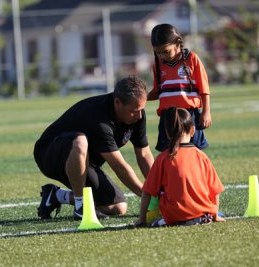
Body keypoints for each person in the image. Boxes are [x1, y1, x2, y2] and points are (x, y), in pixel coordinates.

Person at [33, 76, 155, 220]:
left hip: (85, 162)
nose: (139, 116)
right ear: (117, 102)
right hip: (49, 155)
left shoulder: (137, 114)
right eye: (134, 110)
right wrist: (150, 198)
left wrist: (158, 189)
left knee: (117, 207)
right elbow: (119, 166)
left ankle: (56, 196)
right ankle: (81, 207)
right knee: (80, 141)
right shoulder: (100, 117)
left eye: (142, 109)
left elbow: (144, 154)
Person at [135, 107, 225, 227]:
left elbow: (147, 192)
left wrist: (142, 219)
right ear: (192, 130)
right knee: (216, 212)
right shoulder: (202, 156)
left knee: (155, 219)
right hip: (203, 216)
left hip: (173, 218)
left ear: (167, 133)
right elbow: (215, 192)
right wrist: (215, 215)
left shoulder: (162, 158)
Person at [147, 23, 212, 152]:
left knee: (195, 150)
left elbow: (204, 88)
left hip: (190, 114)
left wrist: (206, 112)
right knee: (168, 152)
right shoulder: (157, 65)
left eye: (166, 52)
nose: (161, 56)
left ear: (177, 43)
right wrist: (141, 97)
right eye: (157, 53)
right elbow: (157, 91)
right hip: (167, 116)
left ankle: (198, 172)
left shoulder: (192, 59)